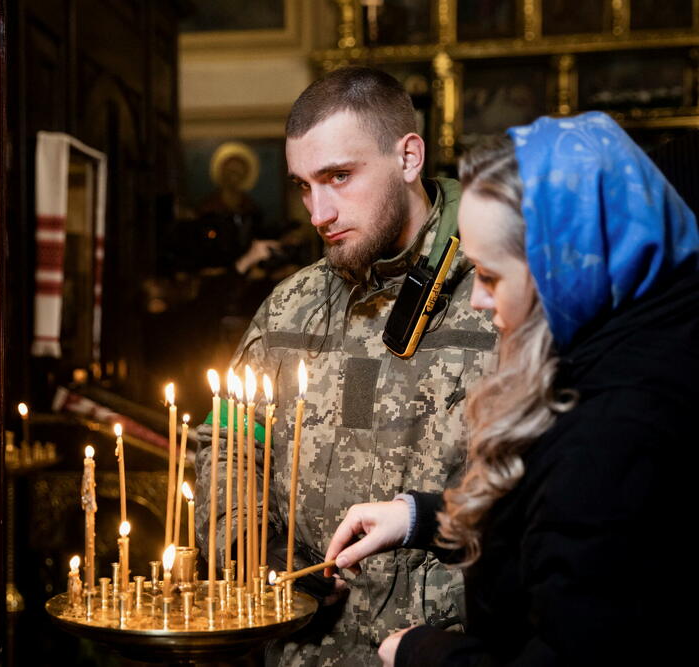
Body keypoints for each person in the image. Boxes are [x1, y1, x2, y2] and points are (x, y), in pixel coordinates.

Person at [324, 111, 699, 666]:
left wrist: (423, 653)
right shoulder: (640, 343)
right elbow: (566, 531)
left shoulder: (613, 432)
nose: (477, 299)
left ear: (562, 269)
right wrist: (420, 518)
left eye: (492, 277)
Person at [194, 67, 496, 665]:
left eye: (338, 176)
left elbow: (550, 481)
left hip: (442, 652)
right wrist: (256, 546)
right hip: (303, 651)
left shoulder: (497, 292)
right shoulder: (290, 305)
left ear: (409, 156)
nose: (318, 212)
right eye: (304, 185)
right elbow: (227, 440)